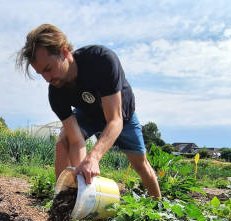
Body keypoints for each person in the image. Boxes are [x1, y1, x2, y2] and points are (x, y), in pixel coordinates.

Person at [16, 24, 161, 199]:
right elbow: (76, 141)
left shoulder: (101, 60)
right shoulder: (56, 93)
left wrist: (93, 158)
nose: (47, 79)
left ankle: (159, 206)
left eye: (48, 69)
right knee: (63, 143)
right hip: (88, 113)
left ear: (64, 52)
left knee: (141, 165)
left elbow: (115, 121)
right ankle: (66, 201)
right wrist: (83, 176)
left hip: (121, 115)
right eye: (41, 74)